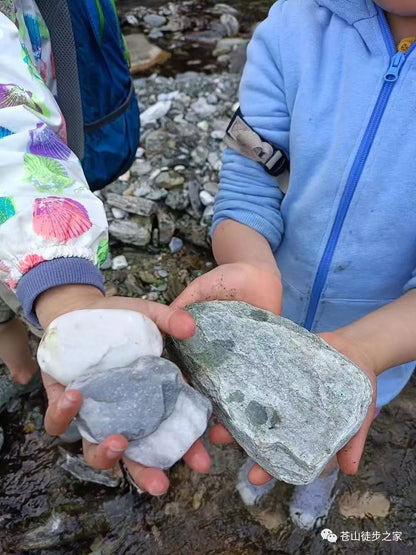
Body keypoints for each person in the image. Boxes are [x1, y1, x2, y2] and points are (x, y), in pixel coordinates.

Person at [172, 0, 416, 529]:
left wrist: (370, 350)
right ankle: (267, 452)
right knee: (255, 408)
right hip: (271, 303)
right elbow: (250, 178)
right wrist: (249, 262)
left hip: (383, 336)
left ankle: (316, 472)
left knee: (335, 422)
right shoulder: (295, 22)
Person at [0, 0, 210, 495]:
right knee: (24, 287)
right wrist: (70, 296)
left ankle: (27, 339)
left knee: (18, 275)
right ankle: (17, 337)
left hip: (27, 172)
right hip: (29, 192)